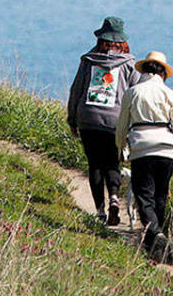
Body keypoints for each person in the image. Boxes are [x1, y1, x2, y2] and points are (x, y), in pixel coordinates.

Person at [116, 50, 173, 257]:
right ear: (163, 73)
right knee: (160, 195)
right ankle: (154, 243)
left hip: (141, 148)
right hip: (167, 148)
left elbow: (122, 125)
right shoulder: (169, 94)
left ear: (145, 70)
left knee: (143, 195)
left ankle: (155, 234)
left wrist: (121, 147)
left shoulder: (133, 92)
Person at [67, 16, 137, 226]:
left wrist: (72, 119)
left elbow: (76, 90)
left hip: (88, 118)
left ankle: (99, 211)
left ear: (101, 38)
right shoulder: (129, 64)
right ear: (122, 41)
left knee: (95, 164)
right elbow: (135, 94)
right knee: (112, 162)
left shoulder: (88, 61)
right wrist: (132, 126)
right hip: (114, 121)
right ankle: (114, 200)